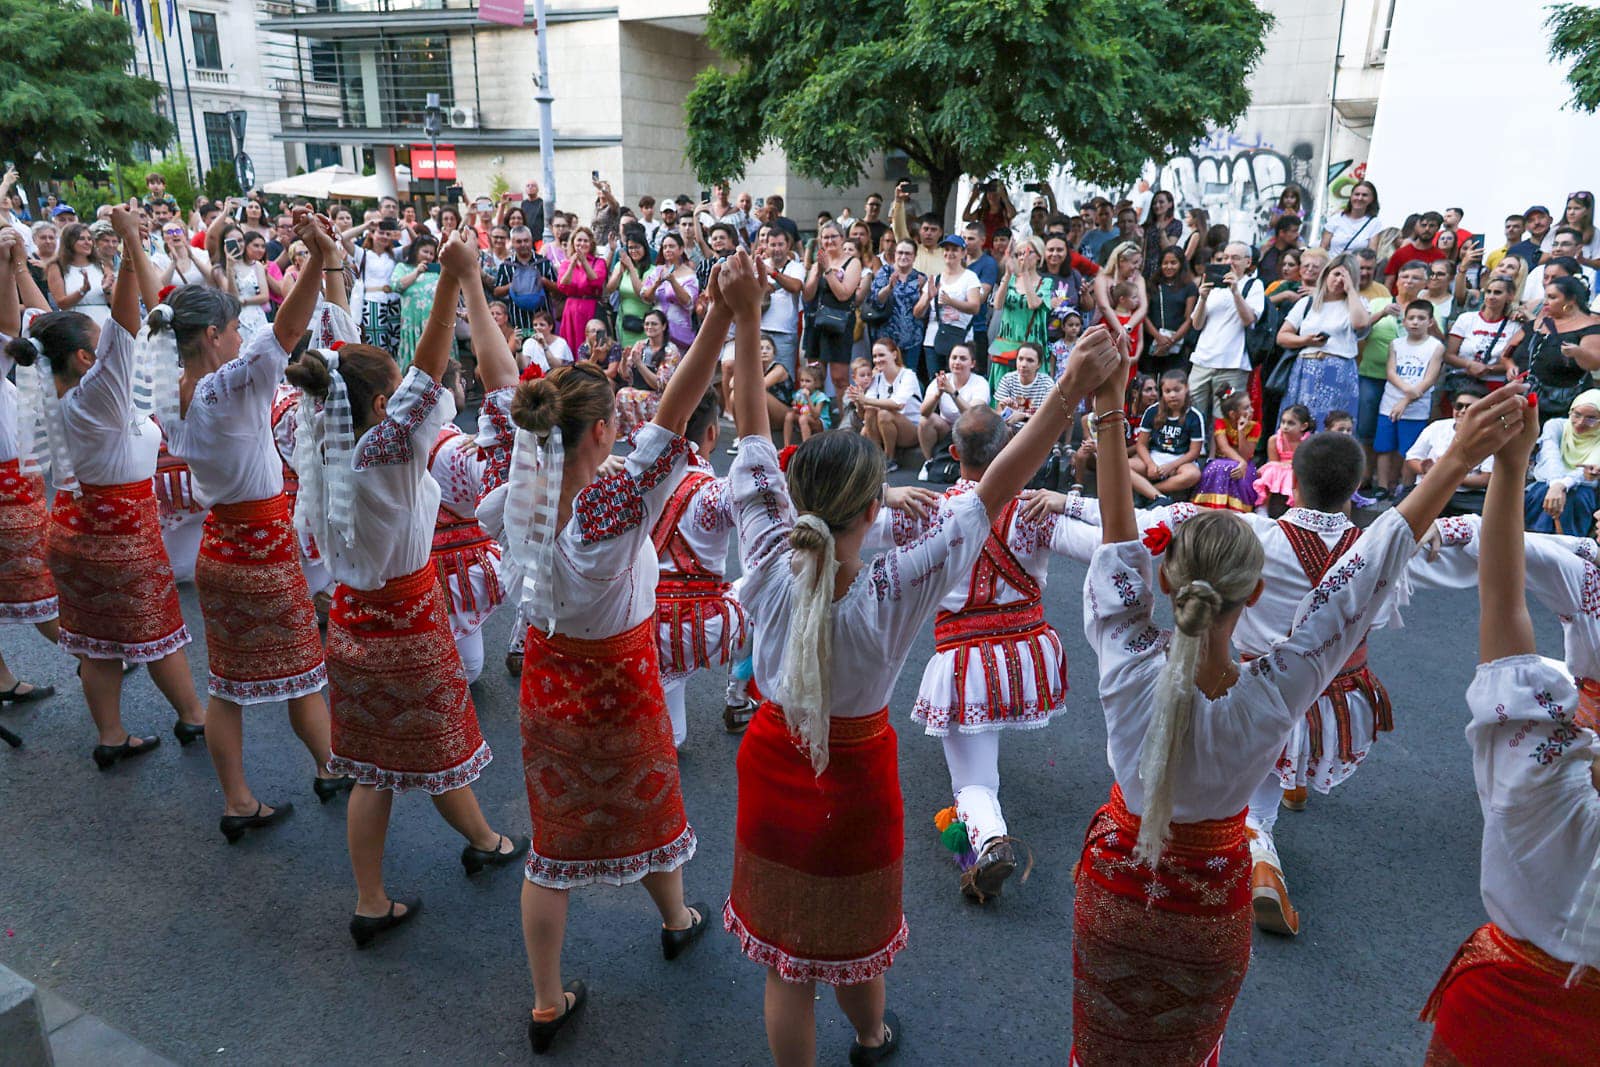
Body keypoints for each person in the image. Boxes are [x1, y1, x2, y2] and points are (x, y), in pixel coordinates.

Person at [1075, 342, 1525, 1064]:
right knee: (1189, 1048)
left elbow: (1117, 542)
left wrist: (1105, 404)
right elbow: (1357, 586)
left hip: (1117, 884)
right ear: (1252, 596)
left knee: (1099, 1044)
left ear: (1165, 582)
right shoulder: (1280, 686)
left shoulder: (1127, 658)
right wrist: (1457, 460)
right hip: (1209, 901)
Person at [726, 256, 1121, 1062]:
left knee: (785, 960)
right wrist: (1073, 384)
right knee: (853, 927)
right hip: (857, 770)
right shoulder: (892, 586)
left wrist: (741, 318)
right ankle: (871, 1033)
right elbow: (995, 484)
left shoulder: (766, 550)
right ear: (875, 508)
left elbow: (751, 432)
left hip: (771, 756)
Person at [497, 251, 756, 1060]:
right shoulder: (611, 504)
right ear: (602, 430)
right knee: (651, 803)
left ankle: (547, 1002)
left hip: (548, 678)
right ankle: (677, 921)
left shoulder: (519, 492)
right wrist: (723, 311)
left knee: (554, 844)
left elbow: (650, 429)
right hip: (618, 680)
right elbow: (673, 421)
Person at [289, 235, 524, 947]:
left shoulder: (320, 438)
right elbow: (426, 371)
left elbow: (360, 364)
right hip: (411, 618)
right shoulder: (386, 453)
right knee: (434, 741)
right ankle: (483, 840)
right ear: (384, 403)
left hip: (355, 622)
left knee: (374, 767)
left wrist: (330, 264)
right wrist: (456, 280)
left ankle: (376, 895)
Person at [1417, 397, 1600, 1065]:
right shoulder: (1583, 563)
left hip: (1496, 1006)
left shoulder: (1536, 771)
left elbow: (1503, 593)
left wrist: (1506, 464)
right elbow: (1518, 562)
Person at [156, 210, 346, 842]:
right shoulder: (229, 387)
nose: (241, 338)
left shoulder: (172, 393)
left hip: (220, 544)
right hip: (261, 545)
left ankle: (239, 799)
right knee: (304, 668)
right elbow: (289, 328)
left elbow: (278, 330)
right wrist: (318, 256)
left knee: (230, 683)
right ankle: (327, 766)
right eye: (234, 329)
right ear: (212, 335)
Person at [10, 206, 208, 766]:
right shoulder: (97, 396)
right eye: (93, 345)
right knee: (160, 631)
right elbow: (123, 330)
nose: (103, 350)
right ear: (82, 356)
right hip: (119, 532)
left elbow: (43, 323)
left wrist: (19, 267)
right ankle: (194, 718)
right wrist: (123, 248)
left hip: (72, 527)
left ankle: (111, 735)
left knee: (95, 641)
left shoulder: (46, 387)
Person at [0, 231, 59, 704]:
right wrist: (10, 264)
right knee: (36, 574)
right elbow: (11, 324)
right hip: (7, 482)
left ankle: (0, 681)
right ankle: (92, 655)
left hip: (15, 474)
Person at [1278, 252, 1374, 433]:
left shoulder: (1358, 303)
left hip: (1339, 371)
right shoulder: (1307, 303)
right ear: (1326, 274)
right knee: (1300, 423)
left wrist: (1351, 290)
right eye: (1336, 274)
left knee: (1334, 423)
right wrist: (1305, 340)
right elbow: (1283, 336)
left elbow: (1360, 323)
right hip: (1306, 369)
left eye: (1345, 277)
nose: (1339, 280)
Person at [1373, 299, 1446, 494]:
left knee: (1409, 449)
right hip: (1389, 402)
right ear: (1403, 321)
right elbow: (1391, 372)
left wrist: (1407, 398)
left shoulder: (1435, 346)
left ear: (1430, 322)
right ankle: (1381, 486)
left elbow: (1430, 378)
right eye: (1411, 318)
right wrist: (1407, 390)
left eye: (1421, 318)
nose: (1415, 322)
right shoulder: (1396, 344)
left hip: (1416, 408)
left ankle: (1405, 486)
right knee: (1384, 446)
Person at [1188, 242, 1265, 425]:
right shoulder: (1212, 284)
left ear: (1248, 262)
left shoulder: (1253, 285)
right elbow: (1196, 324)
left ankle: (1218, 454)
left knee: (1224, 418)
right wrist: (1203, 297)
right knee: (1192, 413)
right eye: (1225, 257)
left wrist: (1236, 292)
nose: (1229, 262)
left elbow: (1249, 320)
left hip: (1232, 365)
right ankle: (1196, 452)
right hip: (1202, 361)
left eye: (1235, 258)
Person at [1405, 385, 1495, 515]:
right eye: (1459, 406)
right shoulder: (1437, 427)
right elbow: (1412, 458)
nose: (1463, 411)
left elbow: (1486, 478)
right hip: (1428, 488)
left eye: (1470, 407)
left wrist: (1447, 475)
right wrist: (1430, 471)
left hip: (1465, 496)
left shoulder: (1490, 436)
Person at [1526, 390, 1600, 537]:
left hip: (1585, 491)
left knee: (1576, 497)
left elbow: (1590, 466)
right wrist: (1556, 485)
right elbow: (1549, 455)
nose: (1580, 423)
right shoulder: (1556, 426)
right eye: (1577, 415)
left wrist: (1562, 485)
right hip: (1547, 484)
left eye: (1591, 419)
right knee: (1541, 493)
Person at [1526, 276, 1600, 422]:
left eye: (1552, 297)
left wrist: (1578, 352)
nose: (1546, 302)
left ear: (1571, 300)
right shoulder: (1541, 321)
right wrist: (1510, 365)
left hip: (1565, 402)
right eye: (1546, 296)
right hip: (1533, 394)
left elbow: (1594, 363)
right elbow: (1512, 351)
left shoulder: (1590, 326)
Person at [915, 235, 985, 385]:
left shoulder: (970, 278)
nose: (949, 253)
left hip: (960, 339)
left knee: (959, 383)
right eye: (946, 250)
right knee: (935, 384)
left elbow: (975, 307)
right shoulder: (936, 279)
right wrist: (928, 297)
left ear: (963, 253)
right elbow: (917, 312)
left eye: (955, 250)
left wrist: (950, 302)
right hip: (933, 340)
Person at [986, 236, 1053, 392]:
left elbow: (1033, 303)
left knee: (1031, 391)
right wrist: (1008, 275)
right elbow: (997, 304)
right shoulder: (1010, 280)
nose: (1023, 257)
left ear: (1038, 256)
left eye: (1027, 253)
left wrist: (1025, 275)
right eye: (1019, 254)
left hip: (1031, 342)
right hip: (1007, 341)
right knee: (1002, 391)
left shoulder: (1046, 283)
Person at [867, 239, 929, 395]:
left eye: (908, 253)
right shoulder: (885, 272)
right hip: (886, 338)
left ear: (915, 257)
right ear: (895, 254)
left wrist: (923, 292)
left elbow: (924, 311)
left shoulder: (920, 278)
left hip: (912, 338)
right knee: (884, 377)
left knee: (908, 378)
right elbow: (875, 301)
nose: (903, 256)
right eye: (900, 252)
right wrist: (889, 287)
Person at [1134, 368, 1204, 501]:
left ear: (1187, 388)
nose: (1172, 395)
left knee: (1193, 474)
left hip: (1181, 461)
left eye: (1177, 390)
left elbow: (1194, 452)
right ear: (1162, 393)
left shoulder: (1194, 416)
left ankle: (1154, 493)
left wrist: (1171, 466)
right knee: (1125, 466)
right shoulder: (1152, 411)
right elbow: (1141, 445)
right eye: (1167, 391)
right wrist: (1150, 464)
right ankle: (1154, 495)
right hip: (1155, 457)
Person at [1445, 276, 1523, 389]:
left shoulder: (1515, 326)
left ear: (1510, 296)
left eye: (1497, 293)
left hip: (1494, 385)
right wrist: (1469, 364)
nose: (1491, 296)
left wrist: (1487, 369)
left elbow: (1513, 363)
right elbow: (1448, 355)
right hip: (1461, 381)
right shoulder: (1466, 319)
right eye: (1488, 292)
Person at [915, 342, 989, 463]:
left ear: (972, 363)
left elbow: (973, 415)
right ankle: (929, 462)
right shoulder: (941, 380)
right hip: (946, 430)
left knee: (971, 425)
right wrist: (937, 394)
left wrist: (952, 392)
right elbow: (923, 412)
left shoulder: (980, 383)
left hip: (970, 431)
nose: (957, 362)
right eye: (954, 357)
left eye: (963, 359)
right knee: (925, 420)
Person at [856, 337, 922, 470]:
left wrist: (865, 400)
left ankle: (890, 458)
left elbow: (898, 404)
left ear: (894, 354)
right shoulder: (877, 378)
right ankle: (877, 458)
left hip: (911, 429)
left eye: (881, 355)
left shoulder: (908, 375)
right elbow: (866, 409)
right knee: (869, 418)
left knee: (884, 414)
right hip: (885, 428)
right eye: (874, 356)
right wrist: (859, 399)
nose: (877, 360)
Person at [614, 309, 681, 437]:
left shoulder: (670, 350)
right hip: (639, 389)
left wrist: (640, 364)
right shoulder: (640, 345)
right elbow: (626, 375)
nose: (649, 327)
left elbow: (660, 385)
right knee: (623, 392)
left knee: (629, 395)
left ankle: (643, 433)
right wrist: (623, 360)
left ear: (664, 326)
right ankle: (633, 432)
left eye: (654, 324)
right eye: (647, 324)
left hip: (662, 396)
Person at [1194, 389, 1260, 512]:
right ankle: (1212, 508)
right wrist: (1241, 463)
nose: (1252, 410)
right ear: (1232, 414)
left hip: (1244, 461)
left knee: (1240, 474)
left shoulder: (1255, 427)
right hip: (1223, 459)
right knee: (1217, 468)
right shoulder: (1220, 423)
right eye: (1246, 408)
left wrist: (1241, 432)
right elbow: (1224, 447)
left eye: (1250, 406)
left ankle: (1237, 510)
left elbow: (1246, 455)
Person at [639, 232, 699, 351]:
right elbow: (645, 297)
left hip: (679, 332)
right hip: (657, 331)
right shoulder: (657, 271)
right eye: (665, 247)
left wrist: (673, 281)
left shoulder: (689, 274)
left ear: (681, 249)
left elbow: (688, 302)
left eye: (671, 246)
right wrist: (656, 284)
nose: (667, 250)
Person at [1144, 247, 1198, 375]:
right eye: (1165, 263)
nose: (1169, 266)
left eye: (1173, 263)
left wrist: (1171, 340)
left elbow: (1189, 318)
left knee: (1173, 380)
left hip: (1177, 346)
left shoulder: (1189, 287)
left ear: (1181, 264)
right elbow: (1144, 315)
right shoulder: (1152, 284)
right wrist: (1159, 338)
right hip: (1153, 343)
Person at [392, 233, 441, 371]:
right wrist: (417, 272)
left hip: (434, 324)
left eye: (432, 253)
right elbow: (397, 286)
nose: (428, 256)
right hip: (412, 324)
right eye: (425, 251)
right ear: (415, 251)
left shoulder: (436, 271)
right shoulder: (403, 267)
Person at [1253, 403, 1311, 514]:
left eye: (1291, 423)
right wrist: (1284, 465)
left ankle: (1296, 508)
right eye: (1283, 422)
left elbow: (1304, 462)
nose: (1285, 426)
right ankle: (1263, 507)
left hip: (1297, 470)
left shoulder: (1307, 442)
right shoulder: (1274, 440)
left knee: (1293, 476)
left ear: (1303, 426)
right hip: (1279, 471)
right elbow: (1273, 462)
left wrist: (1289, 464)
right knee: (1270, 470)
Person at [605, 230, 653, 349]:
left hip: (644, 324)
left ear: (644, 248)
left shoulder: (652, 270)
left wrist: (631, 267)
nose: (633, 251)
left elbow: (641, 294)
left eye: (637, 247)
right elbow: (609, 289)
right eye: (630, 248)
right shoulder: (621, 266)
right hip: (624, 322)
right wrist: (619, 272)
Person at [994, 342, 1053, 429]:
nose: (1024, 364)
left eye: (1030, 360)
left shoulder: (1047, 384)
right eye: (1020, 359)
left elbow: (1046, 419)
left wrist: (1022, 417)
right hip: (1010, 430)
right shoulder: (1007, 379)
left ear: (1039, 364)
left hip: (1035, 431)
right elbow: (999, 414)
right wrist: (1006, 410)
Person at [1321, 179, 1382, 254]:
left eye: (1364, 195)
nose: (1360, 198)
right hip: (1333, 264)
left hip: (1356, 265)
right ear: (1351, 197)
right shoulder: (1336, 218)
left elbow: (1371, 254)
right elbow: (1322, 249)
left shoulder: (1374, 223)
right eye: (1357, 194)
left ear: (1372, 199)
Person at [785, 363, 833, 445]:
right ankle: (786, 445)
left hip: (820, 423)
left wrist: (808, 399)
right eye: (802, 380)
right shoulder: (800, 393)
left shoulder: (820, 396)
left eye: (808, 381)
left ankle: (806, 446)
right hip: (805, 419)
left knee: (803, 418)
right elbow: (796, 406)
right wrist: (795, 407)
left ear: (817, 383)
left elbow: (816, 415)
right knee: (789, 415)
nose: (803, 384)